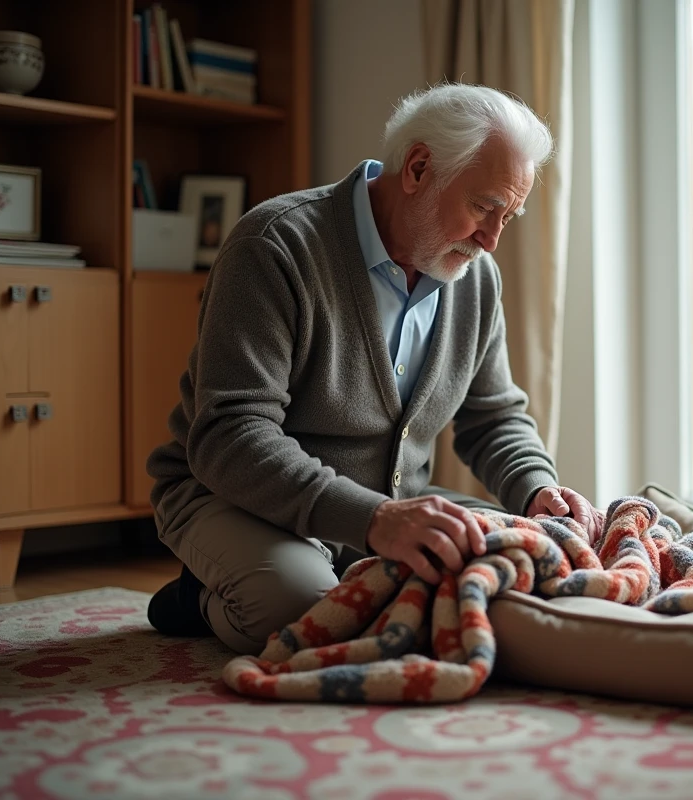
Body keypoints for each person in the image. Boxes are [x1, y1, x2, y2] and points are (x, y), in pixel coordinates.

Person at [144, 83, 598, 655]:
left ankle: (343, 568)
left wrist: (538, 491)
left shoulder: (473, 277)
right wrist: (377, 518)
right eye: (484, 206)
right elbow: (229, 437)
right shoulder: (274, 246)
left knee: (528, 564)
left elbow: (494, 417)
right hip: (234, 497)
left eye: (509, 214)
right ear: (418, 167)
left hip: (385, 512)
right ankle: (205, 590)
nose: (492, 239)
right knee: (304, 611)